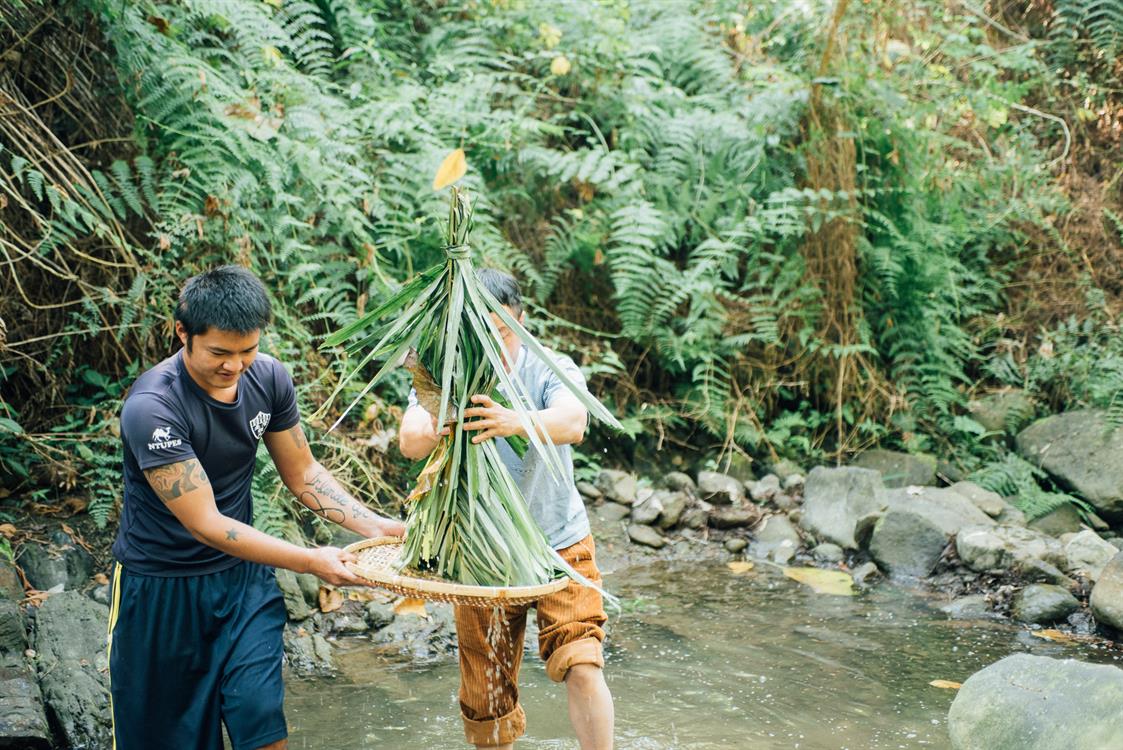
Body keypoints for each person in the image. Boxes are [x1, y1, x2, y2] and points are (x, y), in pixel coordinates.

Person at [108, 265, 404, 750]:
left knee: (260, 716)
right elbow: (204, 523)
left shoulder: (267, 378)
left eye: (248, 350)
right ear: (183, 332)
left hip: (243, 582)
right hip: (161, 590)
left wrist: (380, 526)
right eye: (220, 353)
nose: (235, 366)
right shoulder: (153, 408)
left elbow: (304, 473)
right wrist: (311, 562)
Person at [398, 269, 614, 750]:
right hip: (481, 556)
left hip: (559, 544)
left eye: (499, 336)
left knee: (581, 658)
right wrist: (445, 418)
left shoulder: (546, 367)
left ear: (520, 324)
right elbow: (410, 439)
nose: (492, 351)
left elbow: (574, 421)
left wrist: (515, 420)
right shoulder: (445, 373)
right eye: (477, 338)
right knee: (485, 694)